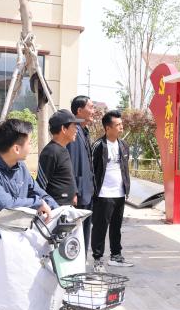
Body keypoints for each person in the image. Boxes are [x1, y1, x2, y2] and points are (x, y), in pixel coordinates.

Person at [0, 119, 57, 270]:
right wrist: (37, 204)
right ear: (16, 149)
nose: (30, 147)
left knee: (49, 245)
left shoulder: (19, 167)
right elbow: (4, 206)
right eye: (29, 143)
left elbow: (39, 193)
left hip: (14, 230)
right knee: (30, 252)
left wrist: (59, 211)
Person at [90, 110, 133, 272]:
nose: (121, 127)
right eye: (118, 125)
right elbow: (91, 170)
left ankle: (116, 256)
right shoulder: (98, 146)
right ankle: (97, 260)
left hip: (119, 193)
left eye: (121, 124)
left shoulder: (123, 145)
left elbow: (125, 169)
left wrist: (126, 188)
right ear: (108, 128)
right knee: (100, 228)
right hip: (103, 194)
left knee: (116, 227)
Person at [37, 109, 84, 206]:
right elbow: (40, 184)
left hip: (67, 206)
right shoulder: (50, 152)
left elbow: (66, 175)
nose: (76, 130)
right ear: (64, 129)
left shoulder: (63, 149)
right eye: (74, 126)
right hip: (56, 207)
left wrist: (74, 193)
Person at [66, 96, 95, 252]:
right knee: (76, 235)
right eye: (91, 107)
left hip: (87, 191)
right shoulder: (73, 132)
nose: (93, 111)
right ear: (79, 110)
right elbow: (70, 164)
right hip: (78, 194)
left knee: (85, 233)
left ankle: (81, 261)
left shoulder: (84, 131)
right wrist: (73, 191)